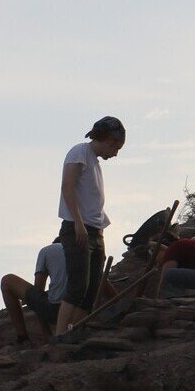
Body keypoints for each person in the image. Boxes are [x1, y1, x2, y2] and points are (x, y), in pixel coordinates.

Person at [55, 116, 125, 336]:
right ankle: (59, 335)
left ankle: (73, 331)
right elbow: (68, 187)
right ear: (109, 141)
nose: (115, 153)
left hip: (95, 230)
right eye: (116, 147)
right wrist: (78, 223)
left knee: (92, 288)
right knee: (78, 285)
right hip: (79, 229)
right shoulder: (79, 152)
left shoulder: (93, 160)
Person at [0, 242, 67, 347]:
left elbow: (38, 292)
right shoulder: (88, 249)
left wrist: (47, 334)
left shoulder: (47, 250)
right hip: (82, 311)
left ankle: (23, 339)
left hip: (58, 310)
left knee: (7, 280)